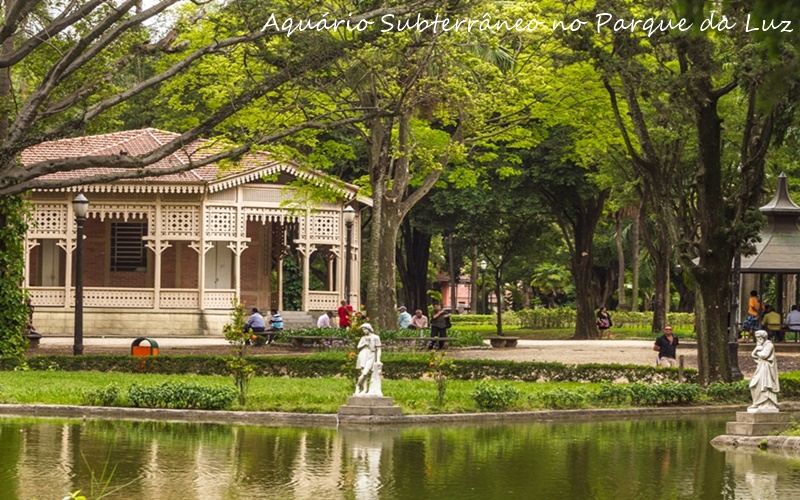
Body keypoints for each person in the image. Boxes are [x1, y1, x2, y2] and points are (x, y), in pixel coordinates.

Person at [748, 329, 780, 413]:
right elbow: (753, 354)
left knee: (765, 384)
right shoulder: (760, 345)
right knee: (753, 384)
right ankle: (756, 402)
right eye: (757, 337)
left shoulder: (769, 345)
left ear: (764, 337)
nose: (758, 339)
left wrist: (758, 350)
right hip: (761, 366)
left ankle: (767, 403)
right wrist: (756, 349)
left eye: (759, 337)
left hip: (767, 367)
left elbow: (764, 355)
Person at [354, 323, 382, 396]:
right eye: (363, 329)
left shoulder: (376, 337)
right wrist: (364, 344)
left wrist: (378, 360)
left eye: (365, 329)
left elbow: (378, 349)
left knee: (365, 372)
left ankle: (357, 385)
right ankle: (364, 389)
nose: (364, 331)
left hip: (371, 354)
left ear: (369, 329)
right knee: (364, 373)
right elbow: (358, 347)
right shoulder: (363, 338)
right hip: (363, 354)